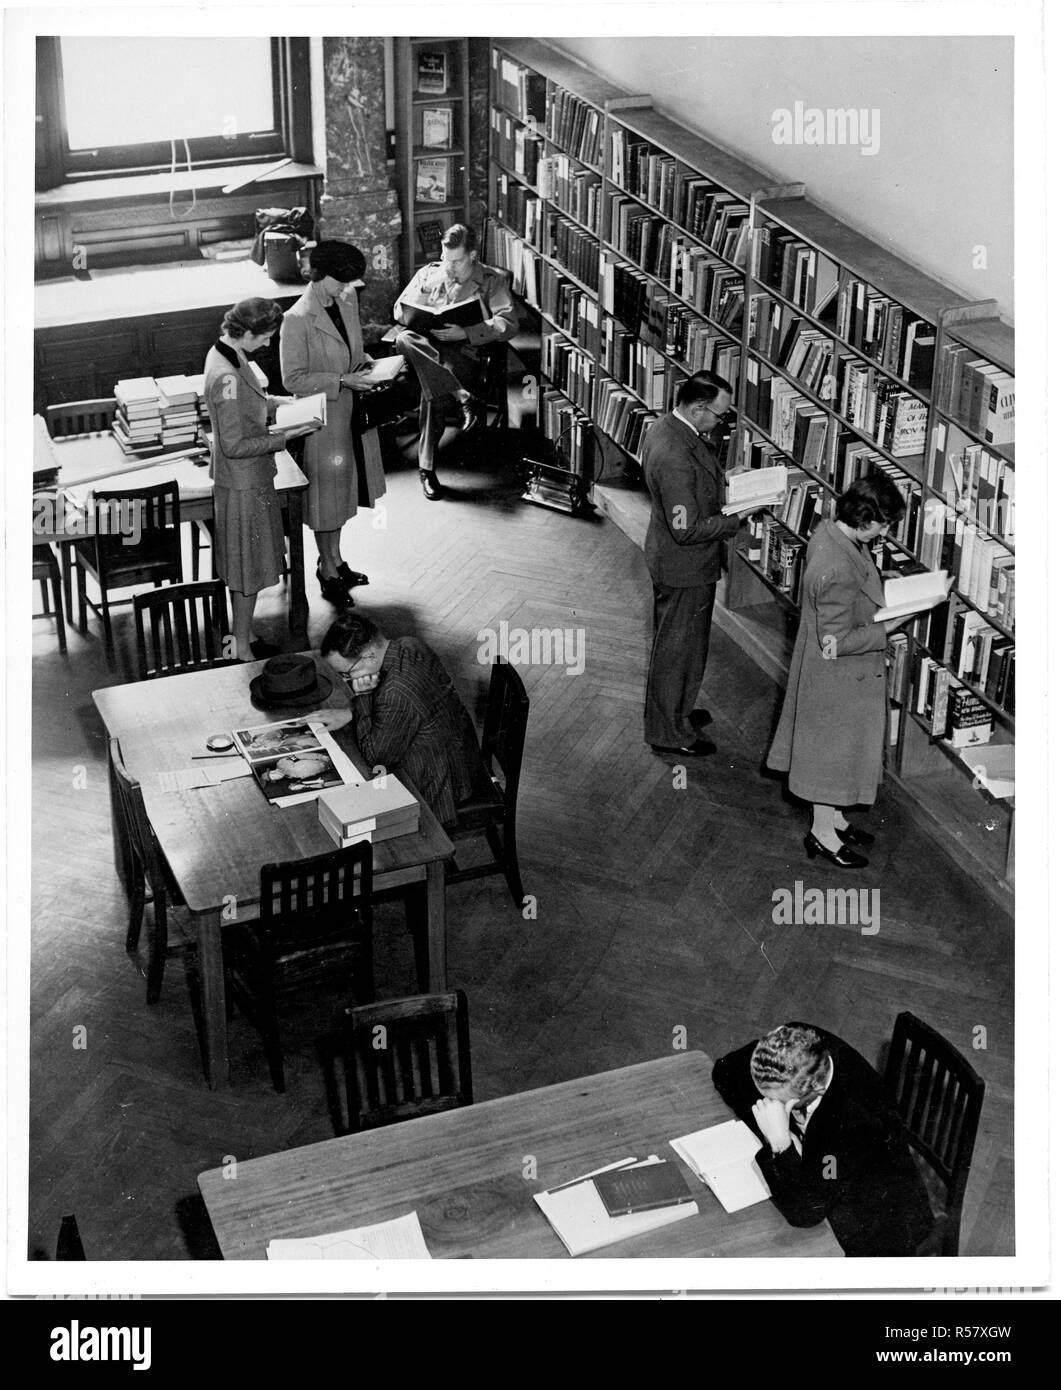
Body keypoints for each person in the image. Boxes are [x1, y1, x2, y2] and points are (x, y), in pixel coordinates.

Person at [766, 472, 907, 867]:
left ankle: (835, 820)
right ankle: (822, 835)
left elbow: (854, 583)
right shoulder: (836, 565)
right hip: (838, 678)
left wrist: (880, 584)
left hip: (835, 677)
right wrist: (887, 626)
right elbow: (836, 642)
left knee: (836, 757)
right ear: (864, 519)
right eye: (883, 524)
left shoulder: (830, 534)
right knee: (830, 757)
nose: (886, 531)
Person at [712, 1022, 935, 1257]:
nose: (769, 1105)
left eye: (778, 1102)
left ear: (815, 1089)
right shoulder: (793, 1046)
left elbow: (806, 1212)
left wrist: (780, 1143)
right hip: (829, 1177)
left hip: (873, 1223)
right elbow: (724, 1073)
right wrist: (785, 1127)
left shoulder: (855, 1122)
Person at [641, 370, 744, 756]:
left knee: (682, 646)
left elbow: (692, 486)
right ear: (699, 408)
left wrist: (727, 480)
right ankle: (669, 731)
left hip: (679, 562)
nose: (722, 421)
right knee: (678, 650)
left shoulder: (672, 428)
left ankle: (677, 711)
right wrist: (738, 519)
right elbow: (686, 528)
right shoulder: (673, 454)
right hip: (684, 565)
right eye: (720, 415)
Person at [280, 240, 387, 609]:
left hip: (352, 411)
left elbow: (350, 349)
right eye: (341, 282)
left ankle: (337, 560)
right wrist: (341, 381)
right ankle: (326, 569)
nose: (347, 289)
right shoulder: (296, 320)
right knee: (326, 499)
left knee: (343, 493)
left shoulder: (346, 300)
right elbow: (293, 380)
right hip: (322, 420)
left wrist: (366, 362)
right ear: (320, 275)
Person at [203, 297, 307, 662]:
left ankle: (241, 637)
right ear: (245, 332)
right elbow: (233, 445)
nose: (267, 344)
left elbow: (252, 400)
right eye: (264, 338)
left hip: (251, 479)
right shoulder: (225, 374)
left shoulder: (228, 352)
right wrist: (285, 437)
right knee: (246, 568)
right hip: (242, 482)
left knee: (246, 565)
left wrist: (283, 403)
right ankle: (241, 650)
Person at [315, 612, 484, 830]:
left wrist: (364, 695)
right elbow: (409, 711)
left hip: (440, 782)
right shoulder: (410, 644)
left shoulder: (395, 692)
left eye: (347, 673)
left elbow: (375, 756)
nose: (348, 680)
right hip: (458, 753)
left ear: (369, 657)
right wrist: (352, 713)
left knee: (345, 799)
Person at [392, 223, 518, 500]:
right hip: (425, 347)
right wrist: (424, 297)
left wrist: (468, 332)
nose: (449, 266)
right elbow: (399, 311)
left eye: (456, 261)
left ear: (472, 255)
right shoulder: (429, 273)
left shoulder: (490, 280)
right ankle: (462, 396)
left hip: (462, 353)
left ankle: (427, 470)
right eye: (445, 259)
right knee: (404, 339)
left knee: (432, 390)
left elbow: (508, 323)